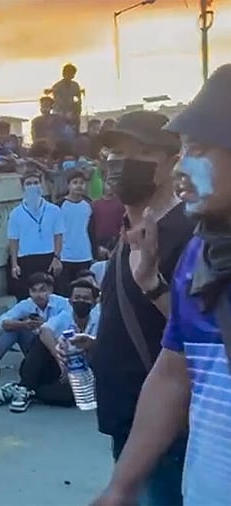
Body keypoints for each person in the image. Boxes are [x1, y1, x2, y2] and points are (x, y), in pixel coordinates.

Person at [94, 63, 231, 506]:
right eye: (184, 149)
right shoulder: (202, 253)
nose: (184, 167)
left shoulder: (183, 238)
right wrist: (122, 484)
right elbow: (173, 371)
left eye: (202, 150)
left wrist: (152, 285)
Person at [87, 109, 195, 506]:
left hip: (166, 433)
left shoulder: (188, 234)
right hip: (127, 421)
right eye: (113, 151)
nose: (119, 163)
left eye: (140, 151)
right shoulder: (130, 232)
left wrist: (153, 285)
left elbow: (204, 338)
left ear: (171, 162)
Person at [0, 278, 100, 413]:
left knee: (72, 397)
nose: (81, 302)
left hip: (82, 371)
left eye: (86, 298)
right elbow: (45, 330)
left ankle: (26, 390)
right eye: (77, 298)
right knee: (41, 339)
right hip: (50, 366)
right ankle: (25, 386)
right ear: (70, 301)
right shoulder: (65, 316)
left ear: (95, 302)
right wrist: (61, 362)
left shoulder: (100, 320)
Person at [0, 272, 69, 381]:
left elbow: (69, 326)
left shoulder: (62, 303)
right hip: (33, 346)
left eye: (42, 290)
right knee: (12, 328)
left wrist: (45, 325)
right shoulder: (27, 304)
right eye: (34, 291)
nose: (38, 295)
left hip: (57, 346)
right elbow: (1, 320)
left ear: (50, 290)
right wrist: (23, 324)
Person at [7, 171, 65, 299]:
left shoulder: (54, 210)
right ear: (23, 187)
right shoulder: (15, 213)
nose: (32, 186)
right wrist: (14, 264)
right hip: (26, 260)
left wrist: (57, 257)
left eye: (36, 183)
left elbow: (58, 236)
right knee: (27, 297)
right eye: (28, 184)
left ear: (41, 185)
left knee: (53, 296)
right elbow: (13, 240)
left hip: (49, 258)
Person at [56, 169, 95, 295]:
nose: (79, 185)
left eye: (82, 183)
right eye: (75, 182)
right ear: (68, 185)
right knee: (66, 292)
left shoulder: (88, 205)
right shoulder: (59, 205)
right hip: (65, 256)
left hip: (84, 255)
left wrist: (94, 252)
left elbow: (92, 231)